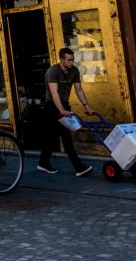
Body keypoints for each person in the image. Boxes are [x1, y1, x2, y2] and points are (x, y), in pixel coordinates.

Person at [39, 48, 95, 176]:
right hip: (52, 106)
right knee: (64, 137)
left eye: (72, 60)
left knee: (53, 137)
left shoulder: (74, 70)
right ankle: (79, 168)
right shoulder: (53, 71)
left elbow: (79, 90)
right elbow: (54, 93)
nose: (71, 62)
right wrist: (61, 110)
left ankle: (43, 163)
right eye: (69, 60)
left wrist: (87, 106)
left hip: (64, 106)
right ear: (62, 60)